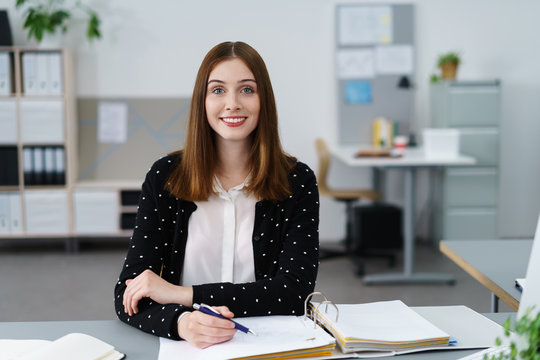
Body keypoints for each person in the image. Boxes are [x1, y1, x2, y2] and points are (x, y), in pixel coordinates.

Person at [114, 41, 320, 348]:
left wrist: (184, 294)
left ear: (264, 99)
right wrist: (181, 321)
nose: (233, 103)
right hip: (187, 347)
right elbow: (128, 294)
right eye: (218, 90)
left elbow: (294, 293)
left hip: (266, 345)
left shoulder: (296, 181)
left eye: (247, 89)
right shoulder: (165, 178)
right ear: (203, 101)